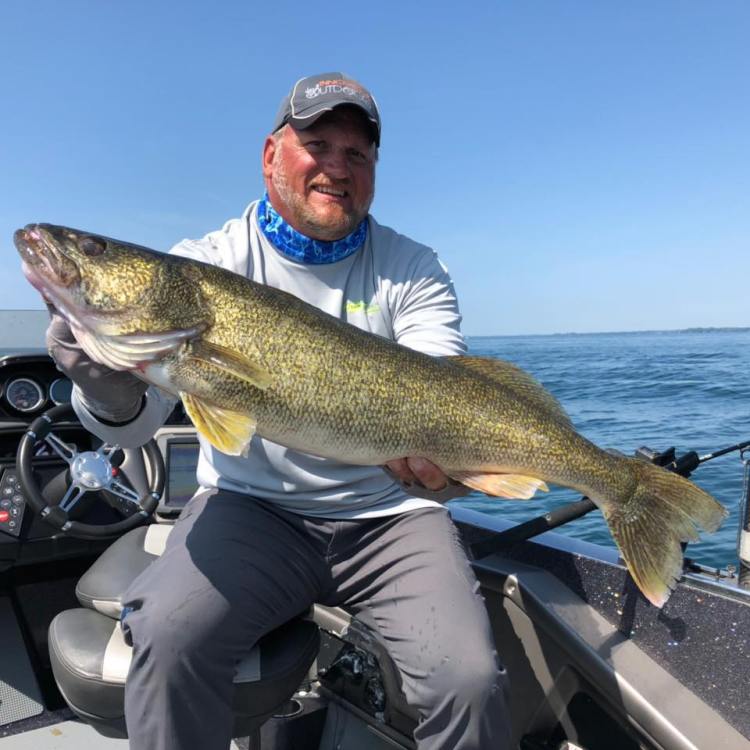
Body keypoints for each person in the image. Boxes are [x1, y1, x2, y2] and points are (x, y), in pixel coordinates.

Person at [47, 72, 511, 750]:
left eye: (357, 154)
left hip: (392, 514)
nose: (337, 168)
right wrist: (106, 387)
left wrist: (453, 467)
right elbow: (139, 420)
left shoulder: (413, 268)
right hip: (252, 509)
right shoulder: (205, 264)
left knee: (469, 679)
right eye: (317, 145)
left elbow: (441, 385)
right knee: (167, 639)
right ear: (271, 156)